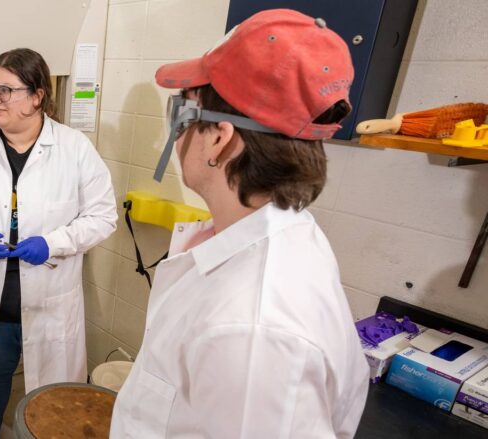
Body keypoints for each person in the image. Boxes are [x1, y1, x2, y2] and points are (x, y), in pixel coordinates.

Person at [110, 9, 368, 438]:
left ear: (219, 138)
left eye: (182, 112)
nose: (175, 134)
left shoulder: (252, 332)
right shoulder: (279, 234)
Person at [0, 48, 117, 438]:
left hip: (50, 296)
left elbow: (103, 217)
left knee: (52, 391)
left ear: (37, 95)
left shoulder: (75, 149)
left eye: (6, 90)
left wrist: (54, 243)